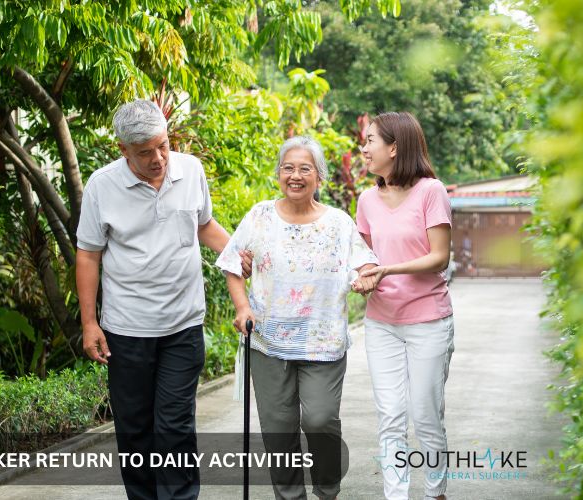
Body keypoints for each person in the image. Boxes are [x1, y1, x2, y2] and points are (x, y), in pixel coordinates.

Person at [75, 99, 251, 500]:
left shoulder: (190, 170)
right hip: (127, 328)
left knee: (175, 428)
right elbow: (88, 255)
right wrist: (89, 322)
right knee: (134, 429)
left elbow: (204, 226)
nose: (158, 158)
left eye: (163, 145)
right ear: (123, 150)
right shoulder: (102, 185)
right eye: (145, 152)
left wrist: (238, 255)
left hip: (183, 325)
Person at [216, 136, 378, 500]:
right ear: (278, 174)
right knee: (278, 429)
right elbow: (231, 262)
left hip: (323, 340)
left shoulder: (338, 223)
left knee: (320, 420)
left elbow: (364, 261)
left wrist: (367, 275)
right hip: (269, 342)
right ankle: (290, 496)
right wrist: (243, 308)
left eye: (305, 168)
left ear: (319, 176)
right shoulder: (259, 216)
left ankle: (327, 486)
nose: (295, 175)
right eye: (288, 167)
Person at [355, 112, 455, 500]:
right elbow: (363, 255)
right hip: (381, 323)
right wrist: (363, 275)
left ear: (394, 147)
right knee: (391, 417)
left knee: (426, 416)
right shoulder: (366, 199)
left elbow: (439, 257)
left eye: (370, 141)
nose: (363, 148)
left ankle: (435, 493)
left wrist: (387, 269)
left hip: (428, 321)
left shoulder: (431, 191)